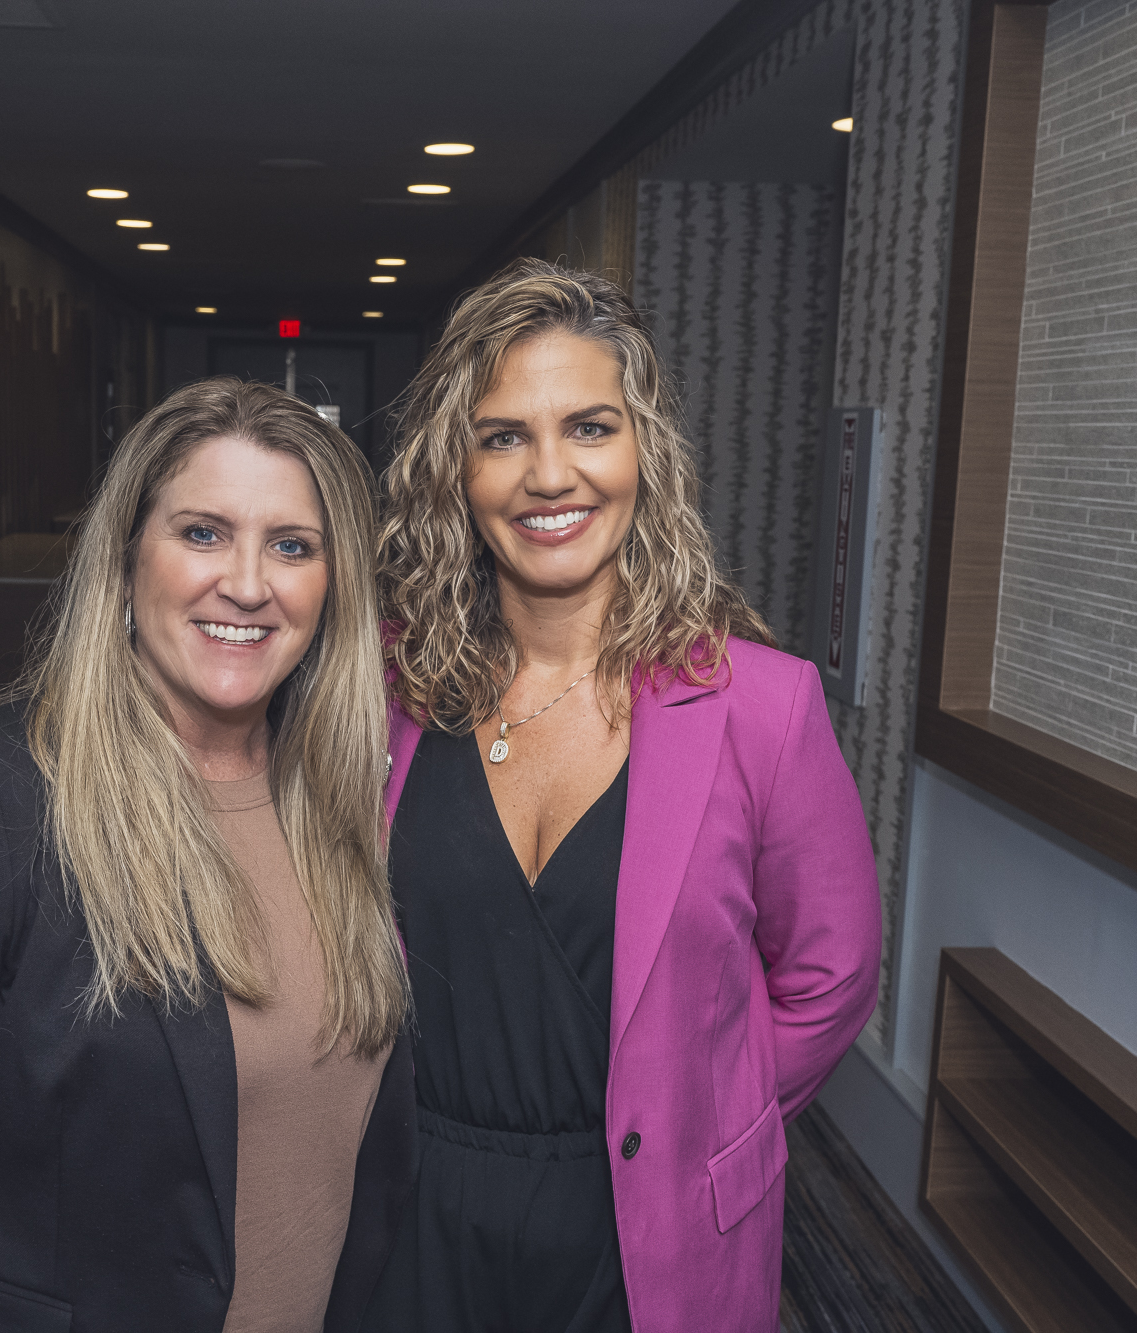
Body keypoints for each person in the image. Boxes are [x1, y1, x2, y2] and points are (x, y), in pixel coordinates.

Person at [0, 378, 412, 1333]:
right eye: (203, 532)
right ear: (126, 557)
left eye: (293, 545)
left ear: (334, 589)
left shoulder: (350, 801)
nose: (249, 583)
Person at [363, 258, 881, 1333]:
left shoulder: (761, 707)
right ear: (455, 471)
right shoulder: (380, 688)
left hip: (649, 1236)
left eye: (590, 427)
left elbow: (829, 978)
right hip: (414, 1214)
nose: (549, 474)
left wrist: (698, 1118)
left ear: (644, 450)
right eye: (502, 436)